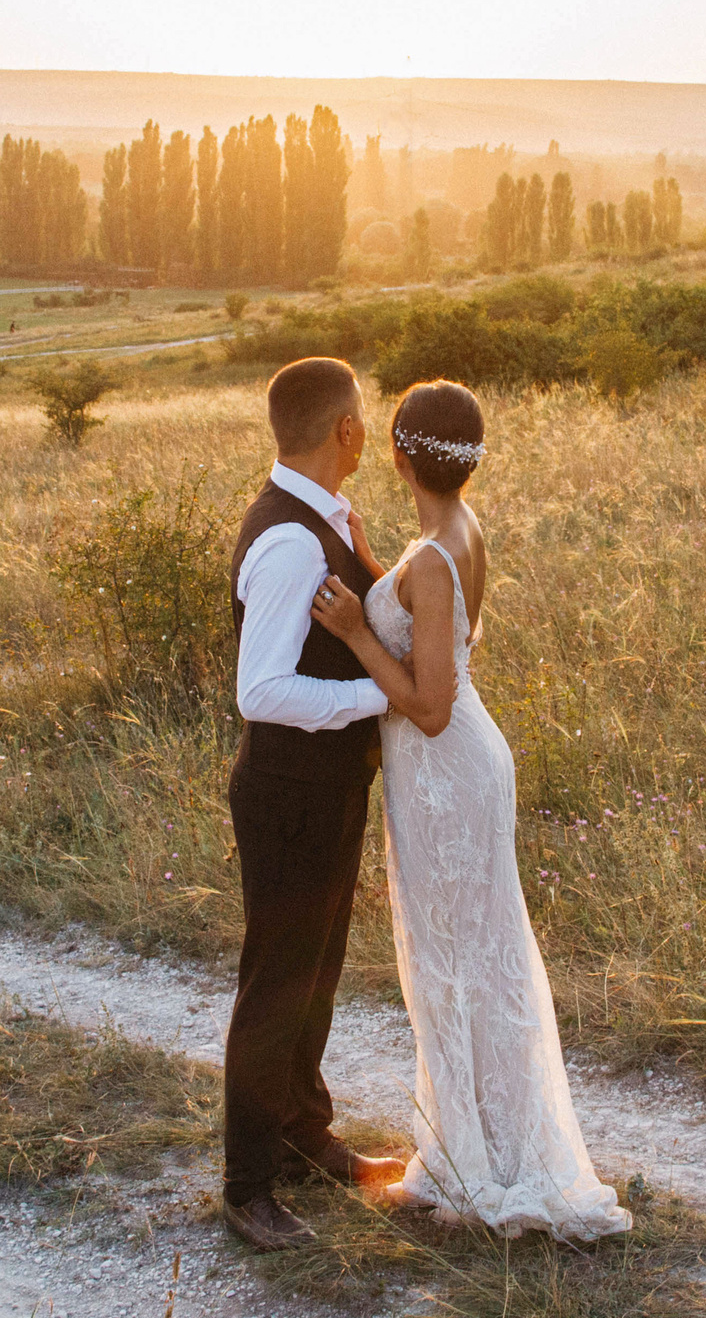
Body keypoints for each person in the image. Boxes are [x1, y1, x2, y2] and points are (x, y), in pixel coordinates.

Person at [309, 379, 631, 1242]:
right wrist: (381, 571)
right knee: (476, 955)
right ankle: (478, 1136)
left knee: (456, 959)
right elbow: (433, 622)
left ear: (400, 455)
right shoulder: (455, 534)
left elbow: (428, 701)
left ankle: (484, 1158)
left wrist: (352, 631)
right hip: (464, 767)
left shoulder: (434, 559)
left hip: (444, 766)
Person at [220, 357, 408, 1252]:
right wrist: (379, 698)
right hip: (287, 793)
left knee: (318, 973)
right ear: (345, 431)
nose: (367, 431)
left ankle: (303, 1132)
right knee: (276, 985)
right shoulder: (292, 539)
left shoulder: (325, 517)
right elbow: (261, 689)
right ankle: (247, 1184)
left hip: (326, 786)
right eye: (363, 418)